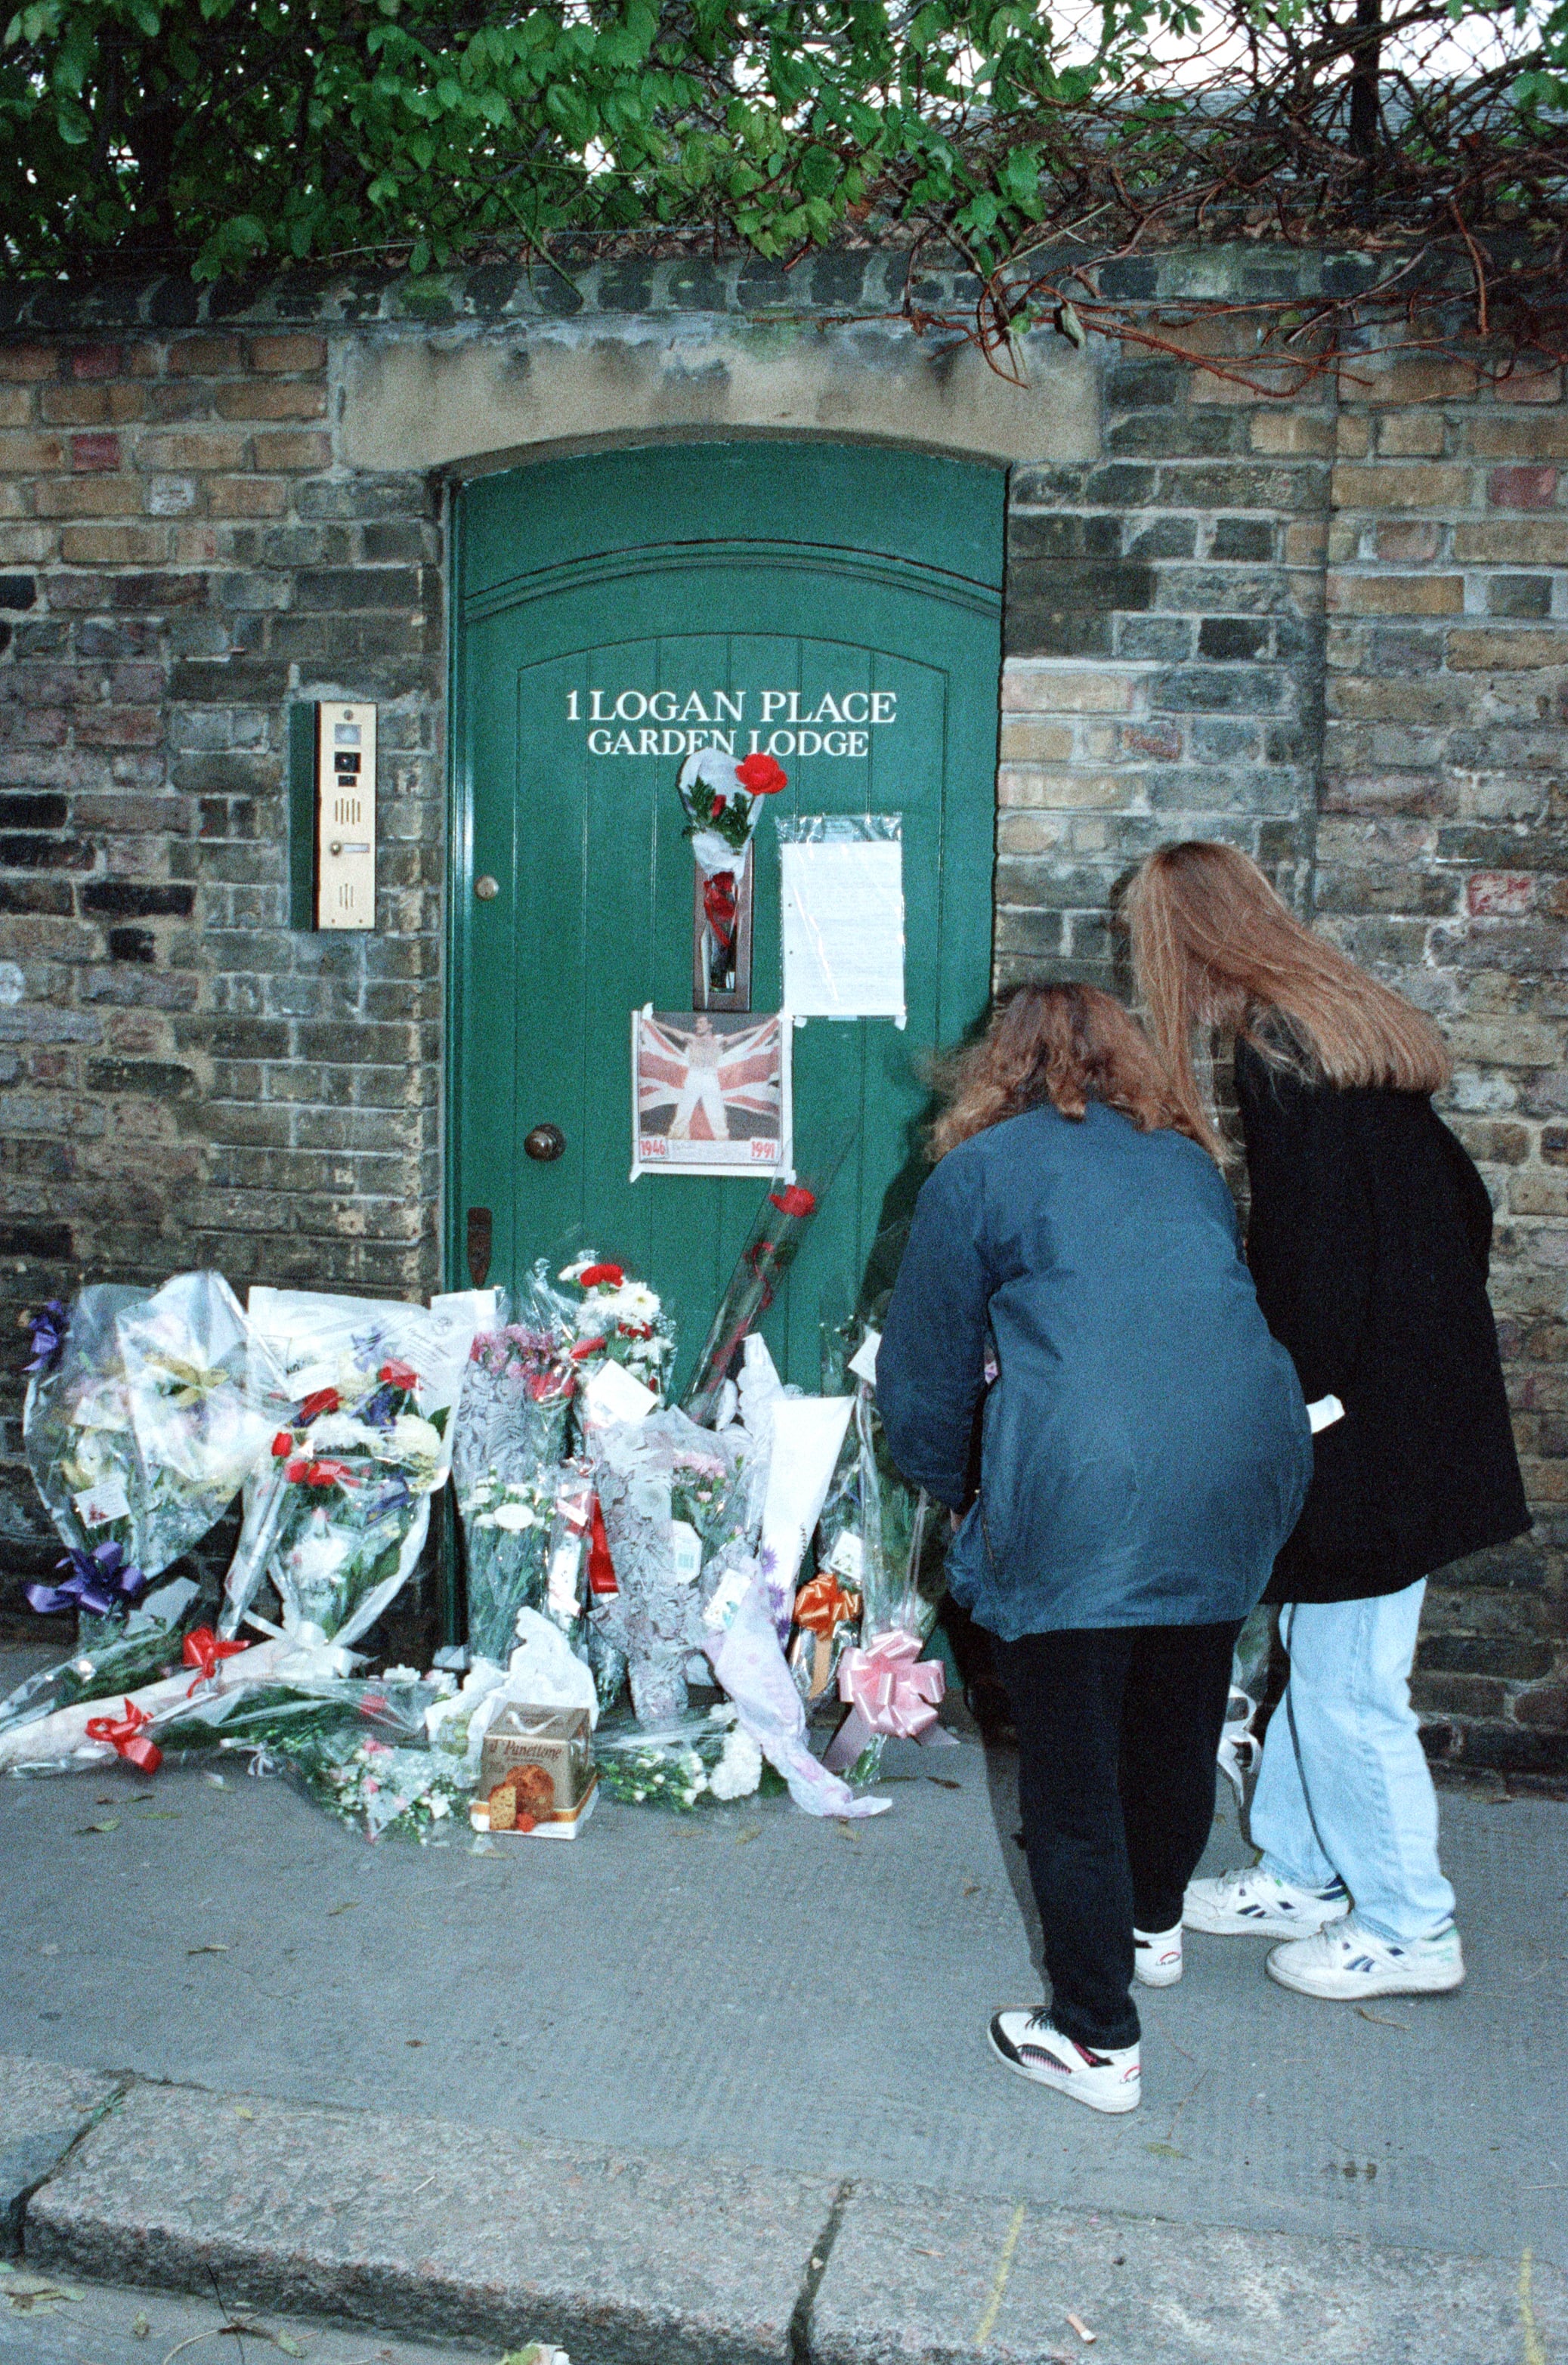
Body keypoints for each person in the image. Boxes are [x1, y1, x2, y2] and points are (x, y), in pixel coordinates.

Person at [876, 982, 1310, 2116]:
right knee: (1178, 1711)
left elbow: (920, 1374)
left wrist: (959, 1490)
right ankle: (1150, 1925)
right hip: (1238, 1460)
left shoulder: (977, 1173)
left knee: (1069, 1769)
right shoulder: (1184, 1164)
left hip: (1084, 1480)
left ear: (995, 1065)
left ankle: (1095, 2036)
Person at [1126, 840, 1530, 2005]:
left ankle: (1410, 1924)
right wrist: (1414, 1339)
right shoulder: (1345, 1020)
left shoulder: (1273, 1044)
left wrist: (1295, 1395)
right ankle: (1304, 1870)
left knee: (1354, 1682)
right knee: (1321, 1647)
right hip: (1412, 1395)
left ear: (1186, 937)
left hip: (1367, 1418)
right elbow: (1468, 1202)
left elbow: (1304, 1259)